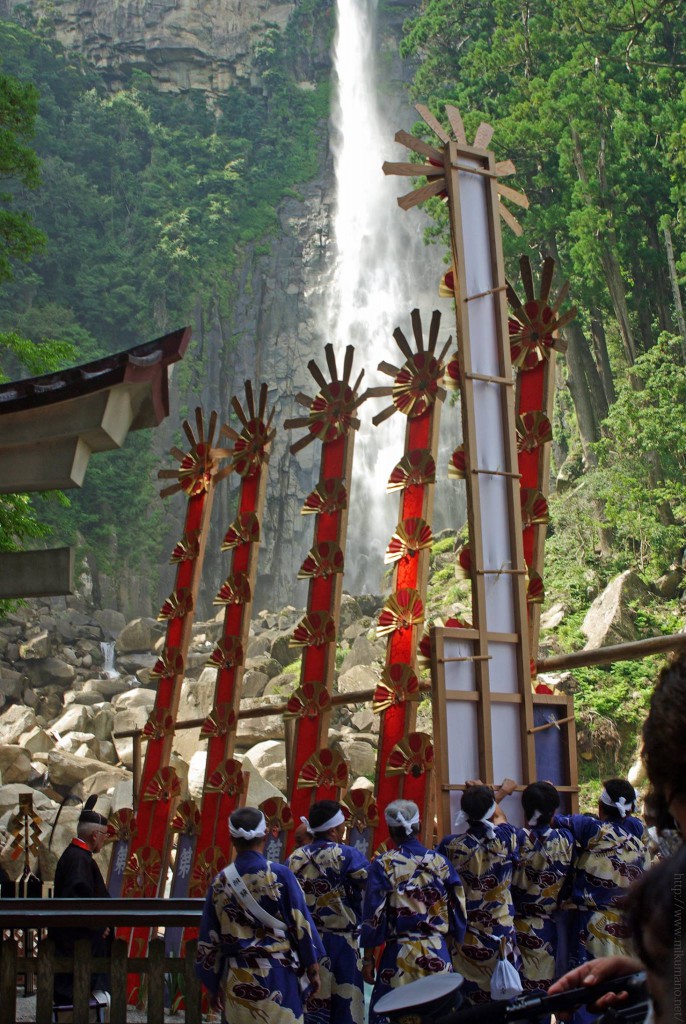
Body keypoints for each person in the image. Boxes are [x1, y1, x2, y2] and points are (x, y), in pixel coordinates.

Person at [549, 654, 686, 1020]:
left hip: (595, 927)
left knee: (589, 998)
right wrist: (648, 978)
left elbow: (549, 820)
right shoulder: (639, 832)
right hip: (621, 930)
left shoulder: (590, 828)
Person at [195, 806, 325, 1024]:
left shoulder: (220, 882)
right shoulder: (280, 875)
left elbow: (210, 939)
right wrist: (312, 968)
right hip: (279, 976)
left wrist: (212, 983)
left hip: (239, 978)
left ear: (231, 839)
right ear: (265, 835)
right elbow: (301, 924)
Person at [360, 798, 467, 1024]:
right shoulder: (440, 861)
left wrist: (368, 959)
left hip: (399, 954)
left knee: (396, 1016)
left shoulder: (383, 864)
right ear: (418, 827)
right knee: (440, 1016)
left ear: (390, 830)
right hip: (436, 950)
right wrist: (450, 942)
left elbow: (373, 915)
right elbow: (458, 906)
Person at [437, 779, 520, 1005]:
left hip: (466, 933)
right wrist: (497, 793)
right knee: (503, 1001)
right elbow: (499, 818)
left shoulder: (451, 845)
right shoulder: (506, 838)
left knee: (469, 1004)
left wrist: (486, 796)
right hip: (501, 931)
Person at [288, 800, 369, 1024]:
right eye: (343, 827)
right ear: (334, 829)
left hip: (308, 944)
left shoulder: (294, 859)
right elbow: (373, 887)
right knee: (348, 1009)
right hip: (344, 943)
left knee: (313, 1010)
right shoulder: (347, 855)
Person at [511, 782, 574, 996]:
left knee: (517, 1000)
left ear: (524, 809)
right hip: (549, 927)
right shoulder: (567, 839)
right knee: (545, 999)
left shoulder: (515, 840)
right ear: (554, 811)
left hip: (517, 928)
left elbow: (497, 820)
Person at [50, 796, 112, 1008]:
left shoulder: (76, 856)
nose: (104, 840)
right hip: (76, 946)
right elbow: (76, 902)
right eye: (104, 835)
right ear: (95, 835)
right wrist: (98, 925)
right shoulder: (78, 859)